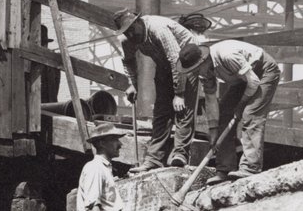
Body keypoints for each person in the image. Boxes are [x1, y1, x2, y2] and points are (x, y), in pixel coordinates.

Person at [178, 39, 281, 181]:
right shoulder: (205, 71)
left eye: (195, 70)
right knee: (224, 113)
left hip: (263, 71)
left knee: (250, 114)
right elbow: (211, 99)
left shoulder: (227, 56)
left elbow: (253, 82)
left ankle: (250, 168)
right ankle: (224, 169)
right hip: (241, 78)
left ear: (203, 61)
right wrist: (213, 130)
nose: (194, 74)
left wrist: (241, 105)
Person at [112, 9, 199, 171]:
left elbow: (176, 58)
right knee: (161, 112)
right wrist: (133, 84)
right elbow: (129, 62)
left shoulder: (157, 29)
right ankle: (154, 159)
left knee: (182, 108)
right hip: (165, 63)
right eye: (126, 32)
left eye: (132, 29)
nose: (131, 35)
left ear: (139, 22)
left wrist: (179, 94)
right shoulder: (127, 40)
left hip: (187, 60)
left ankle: (180, 154)